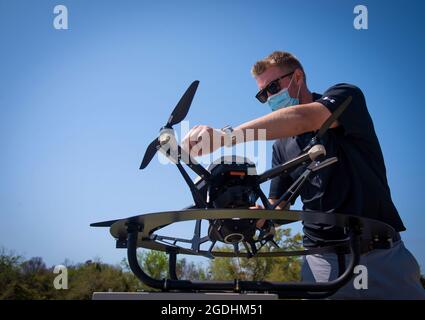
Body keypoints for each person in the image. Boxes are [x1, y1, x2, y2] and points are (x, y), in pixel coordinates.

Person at [182, 51, 425, 299]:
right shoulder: (280, 147)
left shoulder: (345, 97)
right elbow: (278, 205)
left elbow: (305, 118)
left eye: (273, 87)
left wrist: (227, 137)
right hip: (321, 263)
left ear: (298, 76)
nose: (269, 97)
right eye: (262, 94)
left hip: (381, 253)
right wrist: (253, 217)